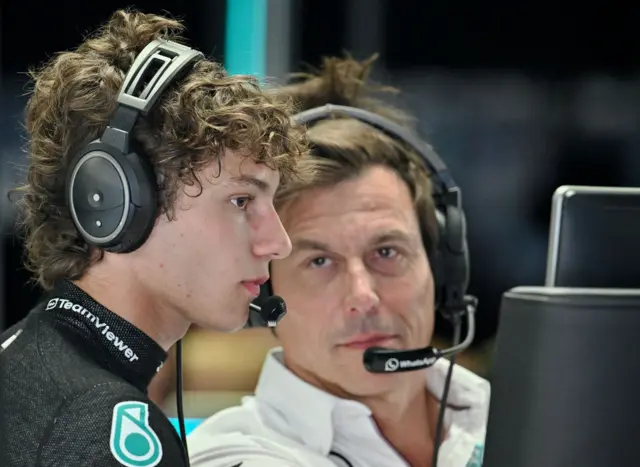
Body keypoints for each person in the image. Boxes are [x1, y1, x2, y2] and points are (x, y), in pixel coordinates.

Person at [0, 9, 311, 467]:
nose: (278, 243)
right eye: (242, 201)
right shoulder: (100, 430)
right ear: (113, 203)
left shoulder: (27, 355)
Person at [186, 55, 491, 467]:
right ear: (266, 291)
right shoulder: (235, 456)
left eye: (387, 253)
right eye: (319, 262)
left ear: (439, 266)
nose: (363, 296)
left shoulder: (518, 417)